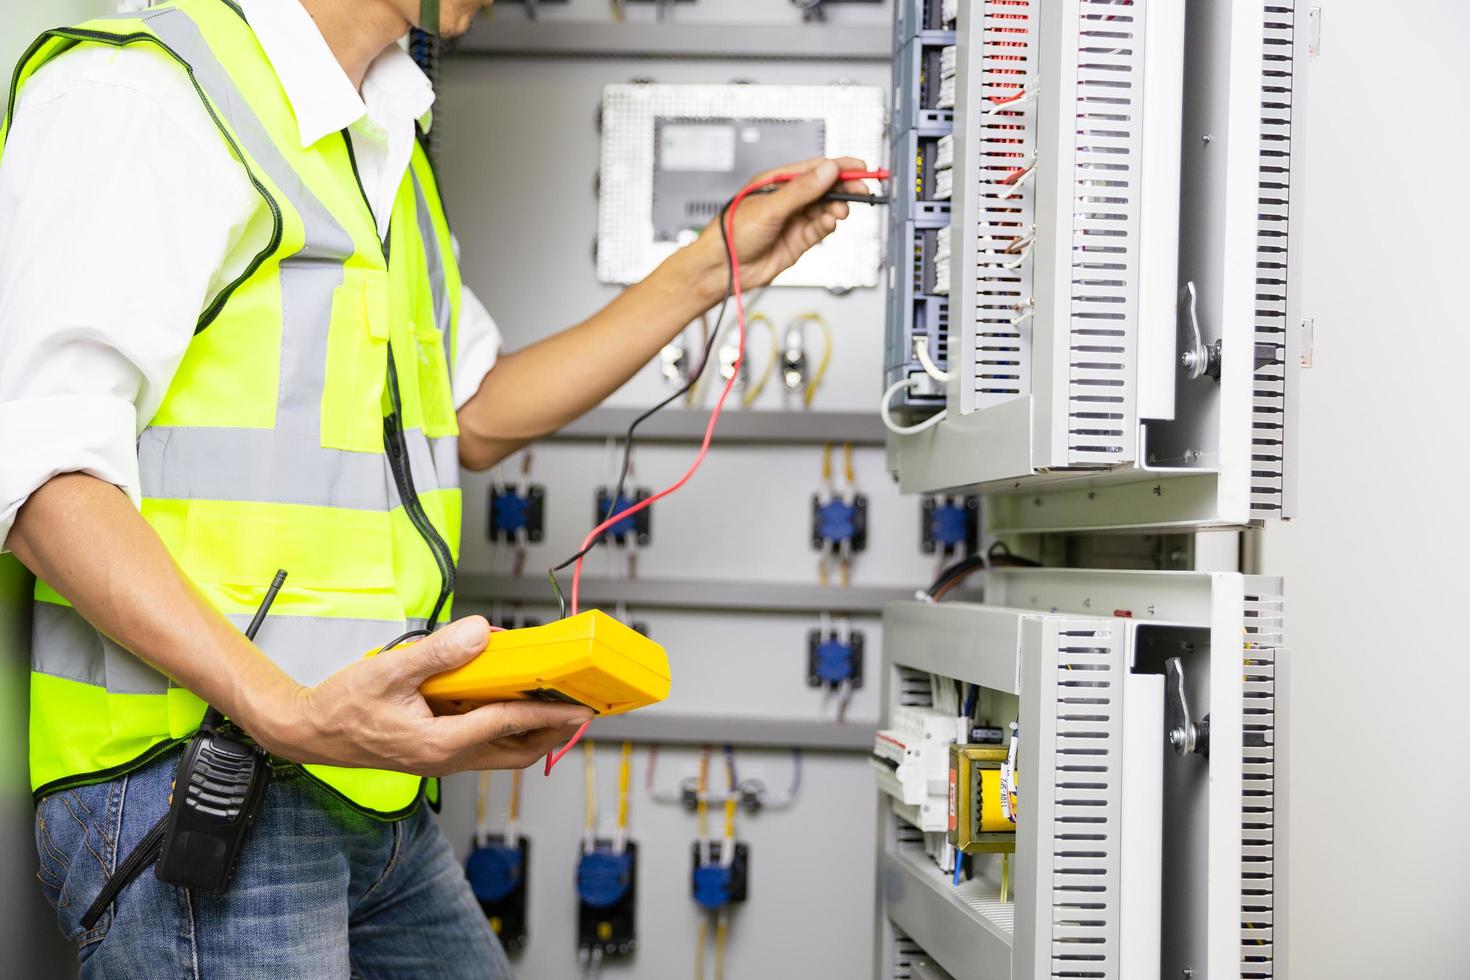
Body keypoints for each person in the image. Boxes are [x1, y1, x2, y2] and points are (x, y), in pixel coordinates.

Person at [0, 0, 868, 974]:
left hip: (362, 775)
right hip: (201, 777)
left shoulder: (383, 142)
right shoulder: (145, 90)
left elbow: (476, 410)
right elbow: (43, 476)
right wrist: (285, 709)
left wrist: (714, 268)